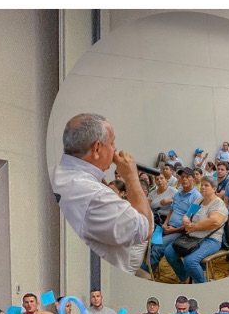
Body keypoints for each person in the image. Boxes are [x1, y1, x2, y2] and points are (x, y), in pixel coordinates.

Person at [51, 113, 153, 274]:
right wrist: (131, 177)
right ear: (97, 148)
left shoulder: (52, 175)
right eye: (112, 143)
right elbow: (144, 229)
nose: (115, 149)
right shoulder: (96, 195)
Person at [163, 174, 228, 284]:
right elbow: (187, 215)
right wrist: (186, 221)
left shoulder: (218, 204)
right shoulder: (199, 200)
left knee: (190, 261)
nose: (202, 187)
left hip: (210, 239)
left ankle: (202, 284)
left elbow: (214, 221)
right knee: (169, 252)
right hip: (192, 236)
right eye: (202, 185)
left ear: (214, 189)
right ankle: (186, 278)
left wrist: (193, 227)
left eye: (206, 185)